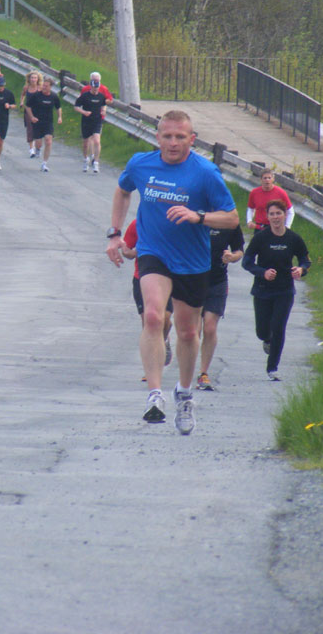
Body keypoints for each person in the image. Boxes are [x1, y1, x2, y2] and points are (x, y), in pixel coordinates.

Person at [106, 110, 239, 434]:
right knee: (152, 316)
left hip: (192, 262)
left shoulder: (205, 173)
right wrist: (115, 232)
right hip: (154, 254)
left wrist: (198, 216)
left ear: (192, 139)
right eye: (167, 136)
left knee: (188, 333)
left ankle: (183, 392)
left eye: (181, 137)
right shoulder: (141, 164)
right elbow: (123, 190)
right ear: (158, 138)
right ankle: (154, 395)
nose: (174, 142)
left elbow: (232, 218)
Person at [242, 199, 310, 381]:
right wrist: (262, 272)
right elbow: (246, 262)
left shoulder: (293, 238)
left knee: (278, 327)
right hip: (263, 289)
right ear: (267, 216)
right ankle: (267, 339)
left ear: (285, 215)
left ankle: (272, 368)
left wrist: (300, 269)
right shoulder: (261, 238)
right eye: (271, 214)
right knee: (263, 331)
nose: (275, 217)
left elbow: (305, 259)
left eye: (278, 213)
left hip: (284, 290)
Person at [121, 218, 174, 374]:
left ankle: (163, 340)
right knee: (149, 322)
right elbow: (128, 251)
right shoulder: (139, 223)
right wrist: (136, 250)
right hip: (142, 277)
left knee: (165, 319)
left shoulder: (174, 221)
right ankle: (151, 368)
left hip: (169, 276)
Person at [196, 224, 244, 391]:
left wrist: (231, 257)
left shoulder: (229, 220)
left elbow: (239, 250)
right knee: (194, 331)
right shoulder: (195, 214)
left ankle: (203, 372)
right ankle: (186, 370)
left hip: (217, 281)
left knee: (209, 328)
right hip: (193, 279)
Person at [26, 76, 62, 172]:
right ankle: (37, 149)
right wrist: (32, 117)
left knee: (48, 141)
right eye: (43, 85)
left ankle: (44, 163)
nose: (44, 87)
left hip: (48, 122)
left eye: (46, 86)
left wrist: (59, 117)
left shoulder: (54, 96)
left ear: (50, 87)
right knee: (38, 143)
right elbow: (28, 106)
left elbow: (58, 107)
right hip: (37, 122)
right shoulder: (36, 95)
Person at [74, 80, 109, 173]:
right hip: (86, 121)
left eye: (97, 87)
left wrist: (103, 110)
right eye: (94, 87)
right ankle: (86, 159)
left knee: (97, 141)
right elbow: (76, 107)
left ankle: (96, 162)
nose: (95, 89)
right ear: (91, 87)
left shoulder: (101, 96)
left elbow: (104, 105)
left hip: (97, 120)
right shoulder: (85, 96)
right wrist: (84, 112)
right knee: (86, 143)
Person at [247, 168, 294, 232]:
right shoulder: (254, 193)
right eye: (265, 178)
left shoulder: (281, 193)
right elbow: (251, 209)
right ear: (261, 180)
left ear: (273, 179)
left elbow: (290, 211)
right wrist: (249, 221)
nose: (267, 180)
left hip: (276, 227)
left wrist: (287, 227)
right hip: (260, 227)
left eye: (269, 178)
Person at [20, 70, 43, 157]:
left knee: (38, 129)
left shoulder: (40, 87)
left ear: (38, 79)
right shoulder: (26, 87)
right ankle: (31, 149)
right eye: (32, 78)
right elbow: (23, 95)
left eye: (35, 78)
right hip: (28, 111)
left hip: (38, 111)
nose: (33, 79)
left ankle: (38, 148)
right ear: (29, 79)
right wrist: (22, 102)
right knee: (30, 129)